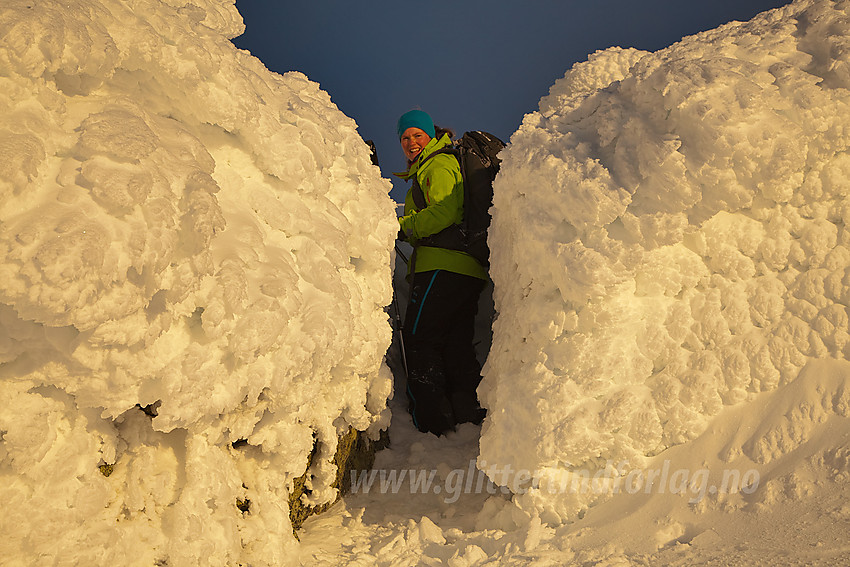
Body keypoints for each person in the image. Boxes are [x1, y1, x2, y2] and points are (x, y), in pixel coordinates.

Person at [395, 109, 488, 436]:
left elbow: (446, 210)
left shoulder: (437, 163)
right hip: (464, 269)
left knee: (420, 341)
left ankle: (431, 425)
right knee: (455, 345)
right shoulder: (439, 163)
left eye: (417, 135)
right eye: (405, 138)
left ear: (430, 135)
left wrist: (405, 226)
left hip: (441, 265)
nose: (410, 142)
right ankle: (467, 419)